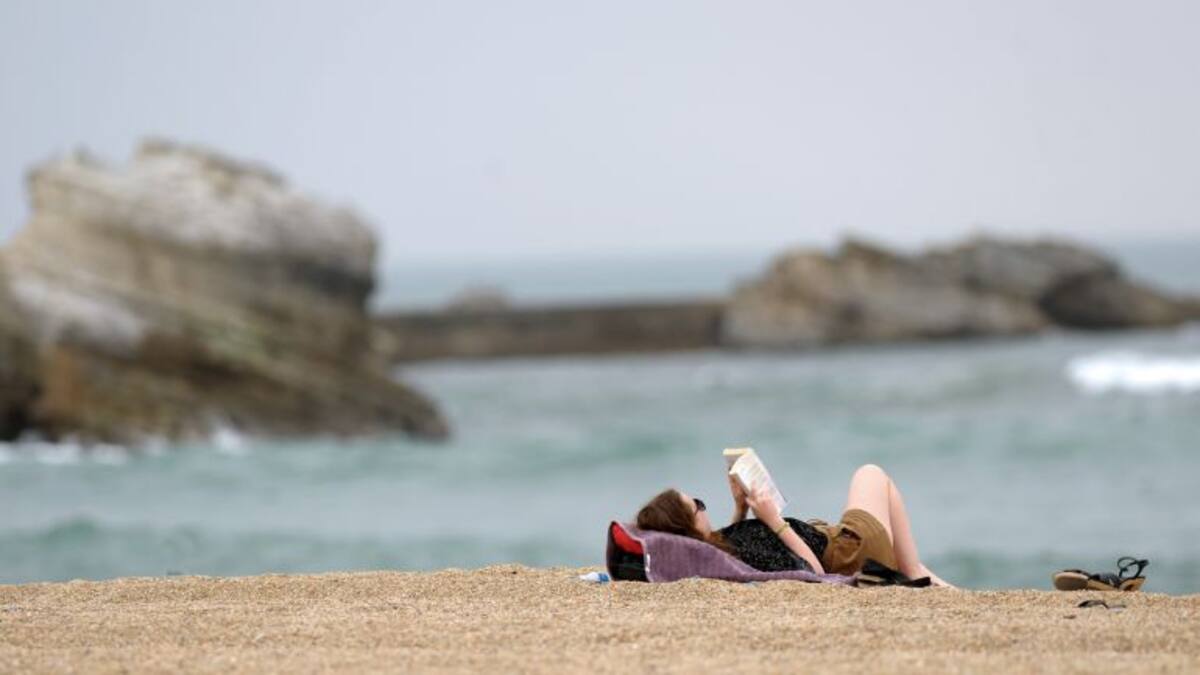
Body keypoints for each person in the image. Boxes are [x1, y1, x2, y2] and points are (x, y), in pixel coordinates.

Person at [635, 463, 954, 588]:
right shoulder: (748, 548)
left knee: (902, 553)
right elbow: (814, 573)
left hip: (842, 544)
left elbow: (732, 550)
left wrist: (740, 509)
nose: (705, 508)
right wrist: (773, 521)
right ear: (690, 528)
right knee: (870, 474)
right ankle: (913, 573)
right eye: (698, 506)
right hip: (848, 549)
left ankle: (942, 587)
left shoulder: (712, 552)